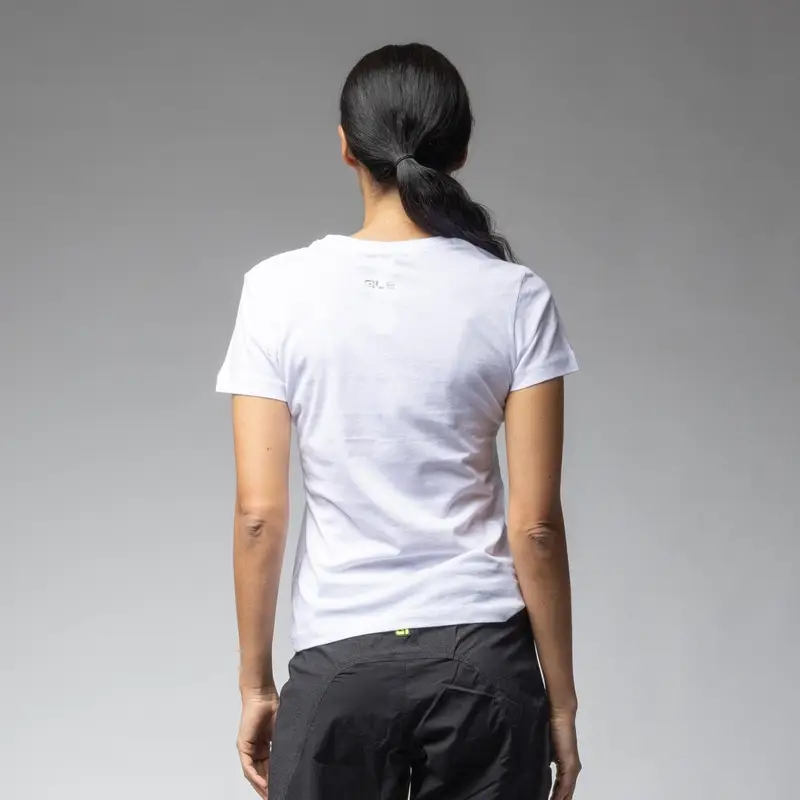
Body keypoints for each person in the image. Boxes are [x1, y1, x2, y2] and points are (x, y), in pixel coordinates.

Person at [216, 42, 582, 800]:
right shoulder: (514, 296)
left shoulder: (276, 291)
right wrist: (562, 702)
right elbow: (537, 525)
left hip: (340, 666)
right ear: (461, 151)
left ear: (346, 145)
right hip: (484, 662)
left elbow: (259, 516)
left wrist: (256, 685)